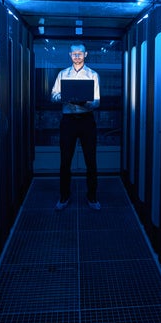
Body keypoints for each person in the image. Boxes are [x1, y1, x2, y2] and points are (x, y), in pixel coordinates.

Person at [51, 43, 101, 211]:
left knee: (91, 161)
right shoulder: (62, 74)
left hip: (87, 120)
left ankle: (92, 197)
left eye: (80, 53)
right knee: (65, 161)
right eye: (74, 53)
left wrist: (84, 102)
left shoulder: (93, 75)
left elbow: (97, 101)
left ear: (85, 54)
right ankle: (64, 197)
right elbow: (53, 96)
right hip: (68, 121)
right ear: (70, 55)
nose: (77, 56)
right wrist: (65, 97)